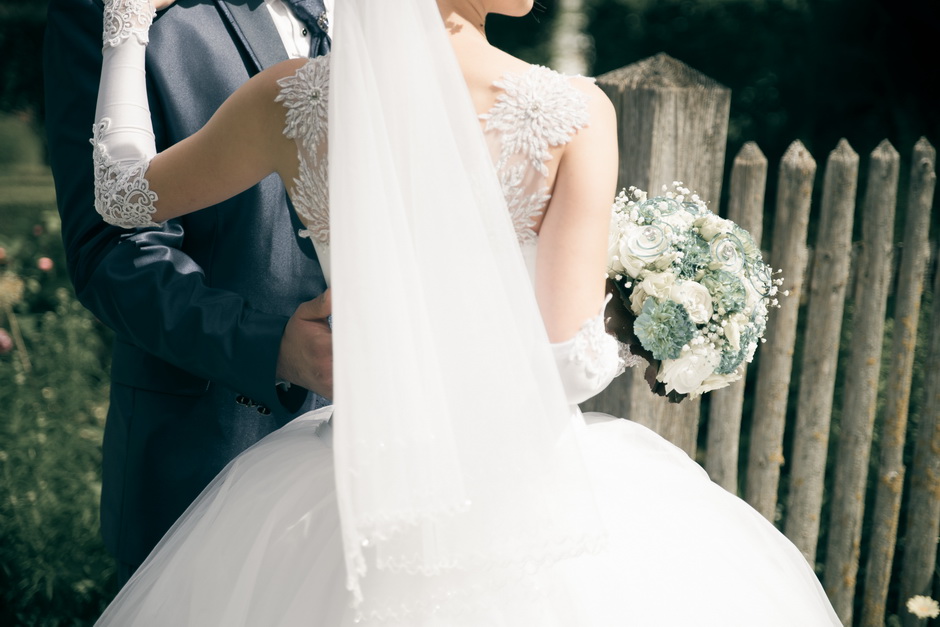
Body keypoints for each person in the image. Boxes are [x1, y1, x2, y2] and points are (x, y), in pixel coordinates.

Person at [88, 0, 843, 624]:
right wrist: (636, 324)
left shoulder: (295, 100)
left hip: (350, 485)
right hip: (524, 498)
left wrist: (126, 28)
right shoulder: (575, 113)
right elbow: (569, 364)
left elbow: (120, 194)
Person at [43, 0, 334, 585]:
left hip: (387, 454)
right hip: (205, 455)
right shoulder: (108, 10)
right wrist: (273, 348)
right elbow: (112, 248)